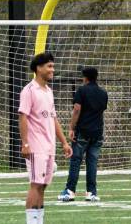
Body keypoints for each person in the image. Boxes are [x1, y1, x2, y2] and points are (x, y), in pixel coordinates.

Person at [20, 52, 73, 224]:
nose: (52, 69)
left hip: (49, 146)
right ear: (38, 68)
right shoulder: (29, 90)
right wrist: (25, 143)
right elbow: (23, 117)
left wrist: (64, 142)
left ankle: (38, 221)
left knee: (43, 185)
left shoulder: (48, 91)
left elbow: (53, 118)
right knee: (36, 184)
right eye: (49, 66)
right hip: (36, 146)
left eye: (53, 66)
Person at [59, 66, 108, 203]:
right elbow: (101, 111)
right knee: (92, 162)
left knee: (76, 160)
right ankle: (91, 192)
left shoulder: (82, 90)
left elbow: (77, 109)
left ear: (85, 77)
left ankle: (70, 191)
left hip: (83, 131)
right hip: (98, 132)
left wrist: (71, 127)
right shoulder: (103, 93)